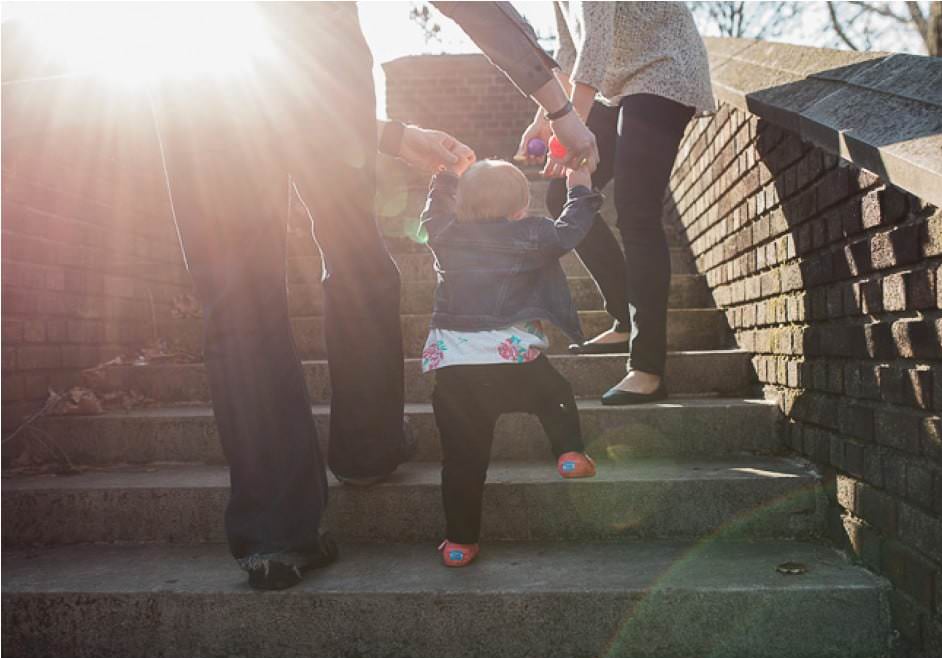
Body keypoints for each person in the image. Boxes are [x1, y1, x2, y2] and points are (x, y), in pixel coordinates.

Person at [151, 2, 599, 590]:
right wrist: (560, 108)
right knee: (354, 257)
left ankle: (275, 534)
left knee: (239, 301)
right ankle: (366, 448)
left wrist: (393, 135)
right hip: (313, 74)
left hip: (195, 82)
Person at [517, 2, 715, 405]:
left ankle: (647, 368)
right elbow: (570, 52)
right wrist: (545, 115)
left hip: (664, 73)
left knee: (636, 211)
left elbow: (597, 40)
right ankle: (624, 319)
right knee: (563, 195)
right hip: (617, 90)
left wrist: (566, 128)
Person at [418, 159, 602, 567]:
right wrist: (580, 189)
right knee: (554, 393)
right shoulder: (532, 232)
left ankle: (459, 543)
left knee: (463, 461)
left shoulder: (446, 233)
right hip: (512, 358)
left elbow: (433, 214)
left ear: (461, 205)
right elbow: (570, 231)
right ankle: (569, 452)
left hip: (455, 368)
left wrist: (444, 179)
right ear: (520, 207)